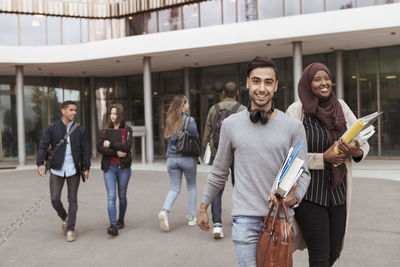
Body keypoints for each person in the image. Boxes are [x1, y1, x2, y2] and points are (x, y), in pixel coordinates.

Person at [197, 56, 311, 266]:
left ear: (276, 86)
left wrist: (294, 199)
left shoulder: (293, 127)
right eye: (256, 81)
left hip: (280, 217)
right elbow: (219, 171)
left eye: (268, 82)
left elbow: (303, 171)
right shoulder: (231, 125)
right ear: (247, 83)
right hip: (244, 219)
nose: (262, 88)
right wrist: (204, 207)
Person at [286, 62, 370, 266]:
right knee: (320, 255)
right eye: (317, 79)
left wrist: (356, 151)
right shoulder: (297, 111)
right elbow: (288, 154)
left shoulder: (341, 106)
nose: (324, 83)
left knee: (333, 252)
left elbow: (363, 142)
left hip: (338, 191)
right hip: (310, 194)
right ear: (307, 83)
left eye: (326, 78)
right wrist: (322, 158)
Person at [37, 100, 91, 242]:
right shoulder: (53, 127)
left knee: (72, 200)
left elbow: (86, 149)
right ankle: (65, 218)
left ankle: (71, 229)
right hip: (57, 169)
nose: (74, 112)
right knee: (55, 199)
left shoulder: (80, 129)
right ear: (63, 111)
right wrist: (40, 163)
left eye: (75, 110)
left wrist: (87, 167)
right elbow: (43, 145)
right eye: (71, 110)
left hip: (74, 169)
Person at [202, 81, 246, 239]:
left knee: (216, 188)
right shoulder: (242, 109)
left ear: (223, 93)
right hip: (237, 154)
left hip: (218, 152)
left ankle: (217, 225)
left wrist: (205, 152)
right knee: (239, 186)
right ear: (237, 94)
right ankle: (240, 218)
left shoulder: (214, 109)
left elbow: (208, 131)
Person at [158, 95, 200, 232]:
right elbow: (196, 138)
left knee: (174, 188)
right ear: (183, 105)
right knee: (192, 186)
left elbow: (167, 139)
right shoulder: (190, 120)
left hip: (172, 159)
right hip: (187, 157)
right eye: (187, 102)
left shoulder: (169, 121)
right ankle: (191, 217)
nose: (188, 104)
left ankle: (164, 211)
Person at [97, 104, 133, 237]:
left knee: (122, 196)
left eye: (115, 114)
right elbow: (99, 147)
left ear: (120, 115)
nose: (113, 116)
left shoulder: (127, 130)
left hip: (123, 168)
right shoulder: (105, 131)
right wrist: (115, 153)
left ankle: (121, 219)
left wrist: (111, 145)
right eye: (111, 113)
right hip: (109, 168)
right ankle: (113, 225)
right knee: (111, 196)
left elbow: (127, 147)